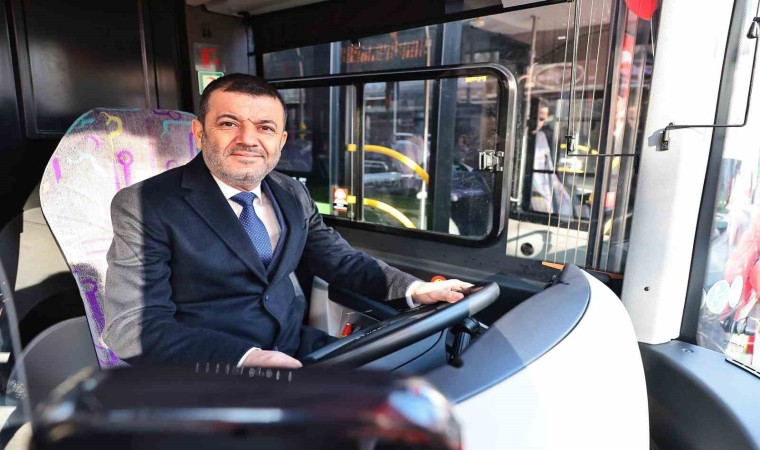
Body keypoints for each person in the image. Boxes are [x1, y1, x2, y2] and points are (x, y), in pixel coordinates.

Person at [103, 74, 471, 369]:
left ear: (280, 141)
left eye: (264, 128)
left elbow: (340, 260)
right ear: (200, 133)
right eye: (229, 123)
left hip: (295, 347)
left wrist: (416, 290)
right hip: (213, 366)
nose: (248, 139)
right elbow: (132, 327)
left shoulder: (292, 192)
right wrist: (245, 359)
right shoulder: (145, 204)